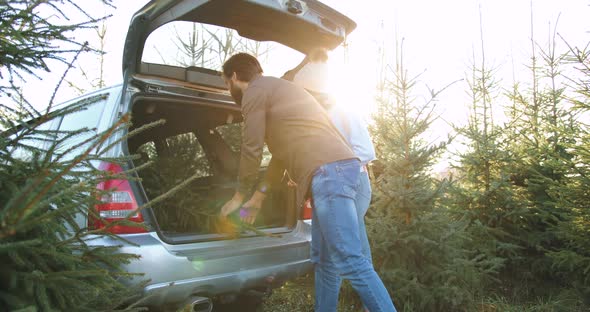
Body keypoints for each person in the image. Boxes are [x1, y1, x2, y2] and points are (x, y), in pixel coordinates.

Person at [219, 53, 396, 312]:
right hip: (345, 174)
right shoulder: (281, 90)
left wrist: (238, 196)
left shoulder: (255, 91)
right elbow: (279, 158)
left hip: (331, 176)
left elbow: (252, 147)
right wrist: (257, 199)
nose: (228, 89)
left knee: (349, 260)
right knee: (326, 262)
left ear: (234, 76)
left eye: (225, 83)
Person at [285, 48, 383, 312]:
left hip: (350, 184)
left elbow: (366, 151)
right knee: (328, 260)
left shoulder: (343, 110)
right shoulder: (313, 118)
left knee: (349, 258)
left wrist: (334, 165)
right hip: (327, 185)